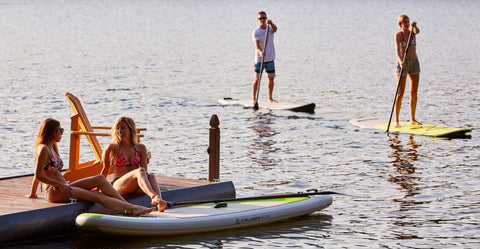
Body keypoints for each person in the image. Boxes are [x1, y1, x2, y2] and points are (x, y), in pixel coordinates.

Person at [27, 118, 153, 215]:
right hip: (54, 192)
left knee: (100, 179)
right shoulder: (44, 149)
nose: (61, 133)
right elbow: (38, 174)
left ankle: (127, 206)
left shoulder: (52, 147)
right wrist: (59, 185)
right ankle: (131, 208)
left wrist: (33, 193)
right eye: (60, 130)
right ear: (52, 132)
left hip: (64, 187)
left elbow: (44, 172)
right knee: (98, 196)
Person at [102, 116, 167, 212]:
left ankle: (160, 203)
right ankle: (154, 196)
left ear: (130, 129)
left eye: (123, 128)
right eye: (118, 128)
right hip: (119, 185)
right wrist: (99, 187)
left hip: (136, 186)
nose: (120, 131)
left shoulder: (140, 148)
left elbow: (145, 172)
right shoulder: (112, 148)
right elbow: (105, 171)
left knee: (151, 176)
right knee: (140, 171)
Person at [394, 14, 421, 128]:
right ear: (400, 24)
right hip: (403, 64)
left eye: (408, 22)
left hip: (414, 62)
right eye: (404, 22)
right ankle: (396, 120)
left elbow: (417, 31)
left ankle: (412, 119)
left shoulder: (412, 33)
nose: (406, 24)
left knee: (414, 92)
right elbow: (397, 51)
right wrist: (401, 62)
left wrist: (415, 25)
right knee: (400, 93)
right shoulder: (398, 35)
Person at [252, 11, 278, 105]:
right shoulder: (256, 32)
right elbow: (257, 45)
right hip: (260, 59)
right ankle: (254, 98)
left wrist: (271, 23)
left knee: (271, 78)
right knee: (257, 79)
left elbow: (275, 29)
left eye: (264, 18)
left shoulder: (270, 29)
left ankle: (270, 98)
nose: (262, 20)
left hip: (270, 58)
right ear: (258, 20)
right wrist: (260, 52)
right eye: (260, 18)